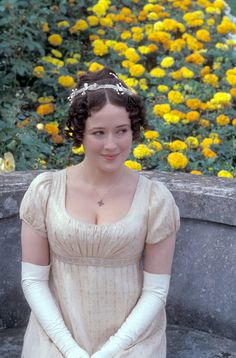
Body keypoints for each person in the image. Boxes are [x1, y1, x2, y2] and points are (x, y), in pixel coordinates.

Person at [20, 67, 180, 358]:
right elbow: (33, 280)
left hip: (133, 342)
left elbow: (156, 290)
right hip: (55, 339)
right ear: (79, 133)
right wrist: (71, 350)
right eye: (98, 133)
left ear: (134, 129)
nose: (112, 145)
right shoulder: (44, 193)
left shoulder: (156, 200)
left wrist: (111, 351)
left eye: (122, 131)